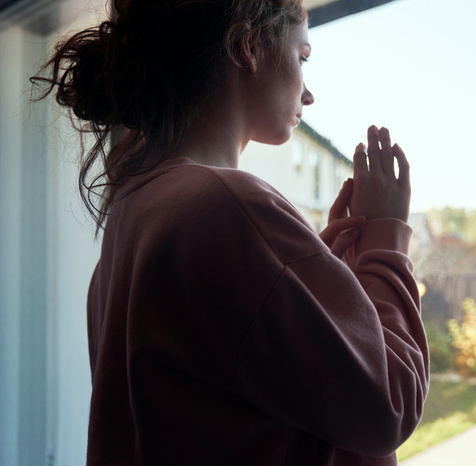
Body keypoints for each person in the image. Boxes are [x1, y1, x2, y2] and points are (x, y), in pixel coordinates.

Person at [32, 0, 429, 464]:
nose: (309, 93)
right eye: (302, 57)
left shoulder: (133, 219)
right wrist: (385, 240)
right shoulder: (224, 208)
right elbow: (386, 406)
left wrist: (314, 281)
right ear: (250, 47)